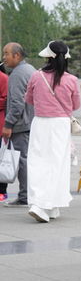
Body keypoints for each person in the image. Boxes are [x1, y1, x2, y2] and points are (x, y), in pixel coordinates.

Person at [23, 41, 81, 222]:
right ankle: (52, 204)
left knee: (37, 162)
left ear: (47, 56)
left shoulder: (36, 76)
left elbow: (29, 99)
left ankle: (40, 204)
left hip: (41, 123)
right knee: (58, 164)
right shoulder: (71, 79)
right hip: (61, 125)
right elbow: (76, 105)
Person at [2, 43, 35, 207]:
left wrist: (8, 124)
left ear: (17, 55)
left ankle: (25, 196)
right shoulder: (30, 69)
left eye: (6, 53)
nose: (4, 57)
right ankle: (28, 194)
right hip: (32, 121)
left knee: (22, 161)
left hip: (21, 124)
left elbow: (16, 104)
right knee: (27, 160)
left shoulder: (17, 74)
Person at [0, 64, 8, 201]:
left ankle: (2, 190)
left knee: (1, 159)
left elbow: (6, 100)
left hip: (1, 123)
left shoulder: (4, 78)